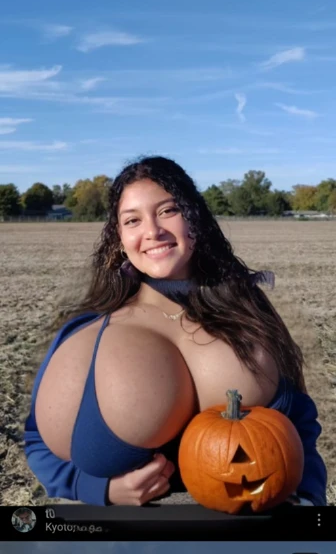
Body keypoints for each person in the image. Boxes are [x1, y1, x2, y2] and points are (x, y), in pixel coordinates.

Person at [24, 155, 327, 507]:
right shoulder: (89, 334)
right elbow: (37, 440)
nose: (152, 231)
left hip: (253, 541)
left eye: (168, 211)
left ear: (194, 218)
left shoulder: (249, 309)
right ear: (119, 239)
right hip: (129, 546)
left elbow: (300, 421)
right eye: (133, 220)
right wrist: (96, 489)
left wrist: (308, 500)